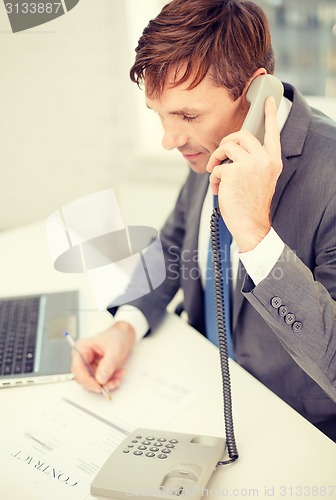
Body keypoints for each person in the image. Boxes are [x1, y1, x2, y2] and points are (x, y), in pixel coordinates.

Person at [71, 0, 336, 441]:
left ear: (255, 95)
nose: (168, 139)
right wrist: (128, 323)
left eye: (187, 116)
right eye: (159, 114)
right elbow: (176, 240)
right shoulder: (213, 141)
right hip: (200, 390)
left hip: (294, 429)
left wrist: (255, 234)